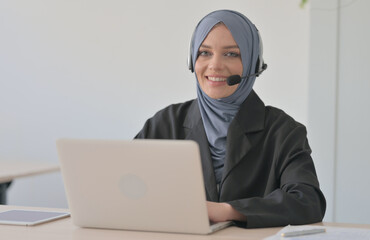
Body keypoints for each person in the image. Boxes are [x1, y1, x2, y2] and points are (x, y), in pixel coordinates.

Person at [135, 9, 326, 228]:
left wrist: (227, 211)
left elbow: (307, 202)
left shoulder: (283, 131)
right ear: (192, 61)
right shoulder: (165, 123)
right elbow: (125, 187)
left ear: (253, 65)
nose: (214, 65)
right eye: (205, 53)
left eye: (231, 54)